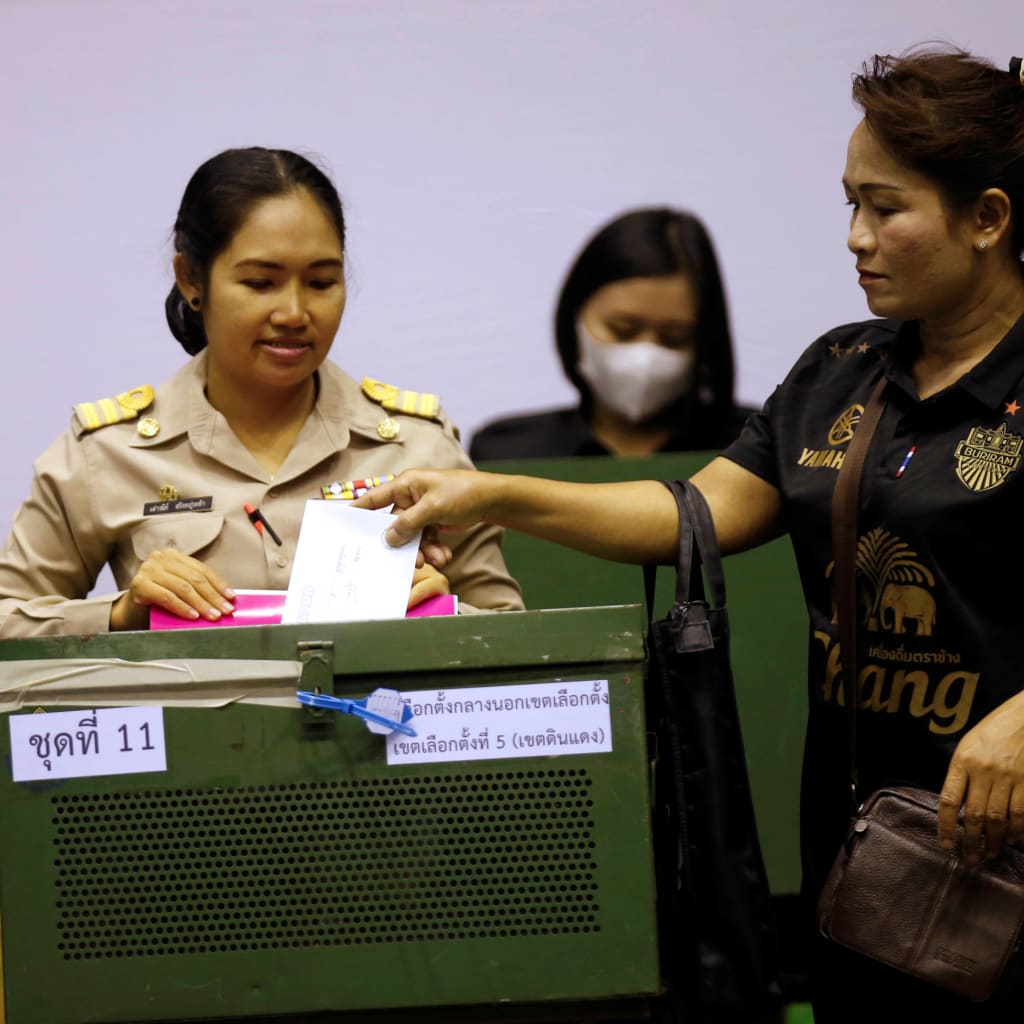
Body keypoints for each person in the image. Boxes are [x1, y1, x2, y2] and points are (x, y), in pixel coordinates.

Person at [357, 48, 1024, 1020]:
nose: (855, 237)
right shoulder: (840, 372)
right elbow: (692, 511)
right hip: (871, 854)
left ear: (989, 218)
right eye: (849, 204)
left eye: (885, 208)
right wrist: (489, 490)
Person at [0, 147, 523, 637]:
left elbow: (513, 636)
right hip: (195, 733)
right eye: (259, 283)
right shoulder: (106, 451)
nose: (294, 314)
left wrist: (444, 613)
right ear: (191, 279)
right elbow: (9, 620)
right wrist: (122, 613)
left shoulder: (417, 445)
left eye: (321, 283)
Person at [469, 207, 756, 460]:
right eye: (623, 330)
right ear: (574, 318)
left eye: (675, 337)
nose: (645, 356)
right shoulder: (507, 453)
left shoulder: (757, 448)